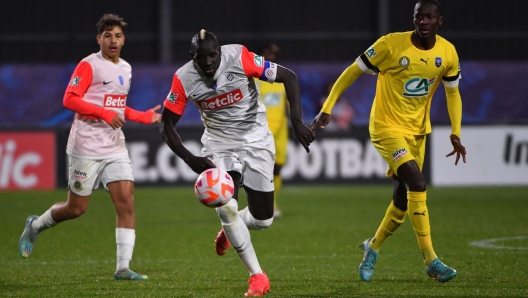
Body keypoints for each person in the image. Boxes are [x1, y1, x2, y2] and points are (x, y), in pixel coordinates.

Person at [311, 0, 466, 283]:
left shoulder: (448, 52)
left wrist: (456, 131)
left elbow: (453, 93)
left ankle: (374, 246)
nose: (424, 21)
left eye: (430, 17)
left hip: (417, 131)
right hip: (385, 127)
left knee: (402, 200)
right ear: (414, 18)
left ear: (439, 21)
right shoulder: (390, 45)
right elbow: (353, 71)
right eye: (419, 16)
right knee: (417, 184)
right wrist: (328, 107)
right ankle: (431, 260)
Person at [160, 29, 314, 296]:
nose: (208, 62)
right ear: (192, 57)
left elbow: (289, 77)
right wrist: (189, 158)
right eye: (201, 57)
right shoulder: (183, 78)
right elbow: (166, 125)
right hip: (219, 144)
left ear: (220, 52)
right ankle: (257, 276)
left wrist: (297, 120)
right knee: (225, 204)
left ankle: (232, 230)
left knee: (263, 220)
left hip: (256, 139)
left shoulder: (241, 57)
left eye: (212, 55)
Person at [18, 14, 160, 281]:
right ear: (99, 39)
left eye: (118, 36)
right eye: (108, 36)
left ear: (124, 40)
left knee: (126, 202)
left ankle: (122, 268)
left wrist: (142, 117)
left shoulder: (126, 69)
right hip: (86, 146)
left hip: (114, 146)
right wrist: (105, 114)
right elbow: (69, 99)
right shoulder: (88, 65)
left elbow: (117, 106)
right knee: (76, 208)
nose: (113, 40)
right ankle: (35, 225)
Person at [256, 42, 288, 219]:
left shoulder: (282, 78)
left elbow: (287, 106)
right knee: (264, 168)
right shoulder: (255, 79)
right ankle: (269, 204)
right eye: (269, 53)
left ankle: (272, 201)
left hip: (281, 130)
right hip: (262, 130)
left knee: (278, 168)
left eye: (276, 54)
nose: (273, 57)